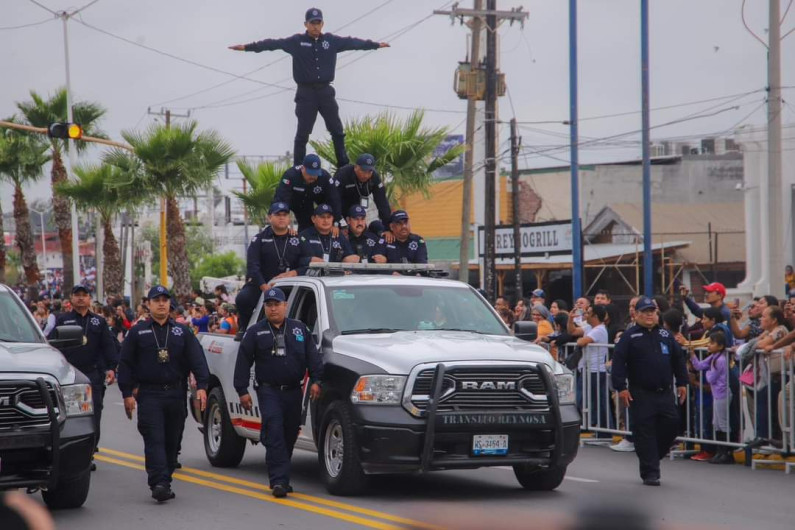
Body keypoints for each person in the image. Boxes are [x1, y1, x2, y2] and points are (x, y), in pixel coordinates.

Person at [228, 8, 390, 167]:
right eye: (312, 23)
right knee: (302, 133)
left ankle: (343, 164)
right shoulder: (296, 42)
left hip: (325, 91)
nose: (315, 26)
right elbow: (273, 44)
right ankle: (298, 166)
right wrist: (247, 47)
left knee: (337, 130)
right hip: (306, 93)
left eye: (318, 23)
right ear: (306, 24)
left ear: (322, 24)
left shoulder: (331, 41)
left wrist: (375, 45)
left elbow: (353, 42)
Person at [117, 285, 209, 502]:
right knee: (154, 438)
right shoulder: (138, 332)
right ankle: (159, 482)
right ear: (148, 304)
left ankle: (165, 476)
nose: (161, 303)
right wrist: (127, 393)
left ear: (170, 304)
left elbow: (197, 360)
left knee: (172, 440)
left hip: (176, 393)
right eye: (156, 300)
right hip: (149, 394)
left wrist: (203, 386)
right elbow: (126, 363)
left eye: (165, 300)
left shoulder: (182, 332)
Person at [233, 287, 323, 498]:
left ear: (286, 306)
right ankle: (279, 481)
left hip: (294, 391)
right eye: (269, 305)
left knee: (290, 433)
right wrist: (242, 390)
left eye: (277, 305)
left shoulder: (299, 329)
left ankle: (281, 471)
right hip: (268, 391)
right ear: (264, 307)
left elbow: (313, 357)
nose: (273, 309)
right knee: (274, 432)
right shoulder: (255, 332)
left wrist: (317, 380)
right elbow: (243, 362)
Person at [611, 297, 688, 486]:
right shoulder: (630, 336)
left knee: (671, 425)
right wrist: (621, 387)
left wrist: (682, 382)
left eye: (652, 311)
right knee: (644, 432)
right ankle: (650, 473)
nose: (649, 315)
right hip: (641, 392)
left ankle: (654, 455)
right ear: (636, 314)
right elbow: (619, 362)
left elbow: (678, 359)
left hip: (664, 392)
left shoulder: (665, 334)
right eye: (644, 311)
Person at [49, 285, 119, 466]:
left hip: (92, 375)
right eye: (77, 295)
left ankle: (89, 454)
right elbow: (51, 346)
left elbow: (108, 346)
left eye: (84, 295)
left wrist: (111, 368)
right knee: (71, 416)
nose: (81, 299)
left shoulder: (98, 322)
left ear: (90, 299)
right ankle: (71, 453)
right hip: (69, 376)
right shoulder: (62, 320)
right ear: (71, 299)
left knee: (94, 414)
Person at [235, 202, 303, 329]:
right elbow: (253, 266)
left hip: (290, 285)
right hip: (263, 284)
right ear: (269, 217)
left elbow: (305, 262)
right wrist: (265, 287)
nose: (282, 218)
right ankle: (244, 328)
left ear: (289, 218)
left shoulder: (298, 239)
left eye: (285, 215)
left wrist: (294, 273)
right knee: (243, 299)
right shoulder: (259, 239)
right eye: (278, 215)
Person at [689, 330, 733, 464]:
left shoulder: (720, 360)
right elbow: (699, 365)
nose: (709, 346)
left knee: (723, 423)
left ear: (720, 346)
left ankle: (726, 452)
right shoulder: (713, 357)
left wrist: (708, 371)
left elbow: (711, 377)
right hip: (717, 394)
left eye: (712, 343)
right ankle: (720, 451)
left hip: (722, 394)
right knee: (717, 423)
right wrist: (692, 355)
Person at [273, 154, 345, 232]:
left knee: (308, 227)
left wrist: (335, 223)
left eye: (315, 174)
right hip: (292, 201)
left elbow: (334, 200)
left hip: (309, 203)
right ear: (302, 168)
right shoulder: (290, 175)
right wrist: (282, 222)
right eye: (310, 173)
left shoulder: (325, 177)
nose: (313, 176)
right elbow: (281, 198)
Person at [576, 304, 610, 435]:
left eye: (588, 313)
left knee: (599, 402)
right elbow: (573, 332)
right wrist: (570, 319)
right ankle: (598, 429)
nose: (586, 314)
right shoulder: (590, 327)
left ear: (595, 316)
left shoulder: (599, 329)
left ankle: (604, 431)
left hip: (596, 371)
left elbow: (582, 342)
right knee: (588, 401)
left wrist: (581, 339)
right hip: (588, 369)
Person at [335, 154, 392, 228]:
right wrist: (337, 222)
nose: (366, 175)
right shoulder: (343, 174)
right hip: (340, 204)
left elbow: (382, 202)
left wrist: (388, 226)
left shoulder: (374, 177)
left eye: (369, 172)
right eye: (363, 171)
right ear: (356, 167)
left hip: (357, 207)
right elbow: (334, 199)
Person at [298, 204, 358, 269]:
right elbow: (295, 261)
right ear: (313, 219)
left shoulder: (339, 236)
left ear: (332, 218)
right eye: (322, 217)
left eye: (329, 217)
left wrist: (349, 259)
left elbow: (349, 255)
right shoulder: (304, 236)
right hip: (311, 276)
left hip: (335, 276)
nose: (326, 220)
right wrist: (309, 260)